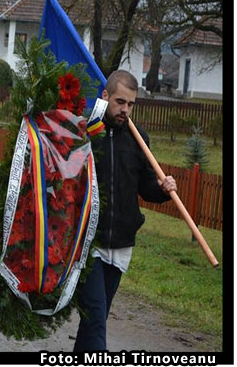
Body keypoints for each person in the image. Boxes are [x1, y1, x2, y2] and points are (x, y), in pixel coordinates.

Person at [73, 70, 177, 352]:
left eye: (131, 104)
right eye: (120, 102)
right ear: (105, 96)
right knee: (95, 318)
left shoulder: (137, 138)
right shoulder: (85, 131)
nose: (125, 110)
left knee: (95, 320)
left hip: (120, 244)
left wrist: (163, 188)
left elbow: (146, 189)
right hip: (88, 244)